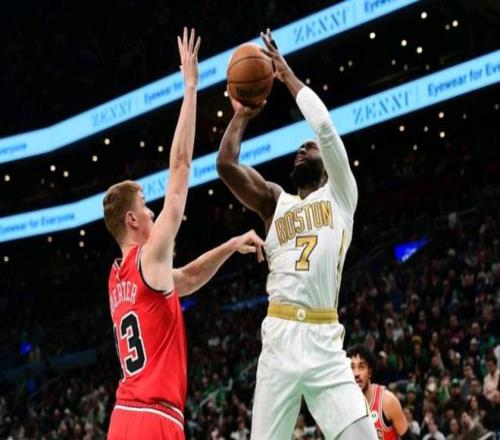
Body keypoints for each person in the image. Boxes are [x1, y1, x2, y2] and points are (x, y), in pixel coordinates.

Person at [103, 29, 265, 440]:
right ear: (131, 220)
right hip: (154, 418)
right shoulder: (149, 258)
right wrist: (191, 87)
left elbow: (187, 280)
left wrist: (230, 245)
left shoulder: (118, 278)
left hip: (122, 418)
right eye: (145, 205)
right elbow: (180, 169)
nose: (152, 210)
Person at [216, 28, 376, 440]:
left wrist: (284, 74)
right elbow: (226, 165)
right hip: (280, 338)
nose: (302, 150)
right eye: (299, 149)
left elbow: (324, 127)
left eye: (310, 147)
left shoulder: (341, 195)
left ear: (327, 164)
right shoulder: (275, 201)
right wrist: (242, 115)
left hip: (325, 341)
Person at [347, 345, 416, 439]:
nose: (356, 373)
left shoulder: (388, 401)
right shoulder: (345, 405)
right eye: (352, 367)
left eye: (361, 367)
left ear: (370, 372)